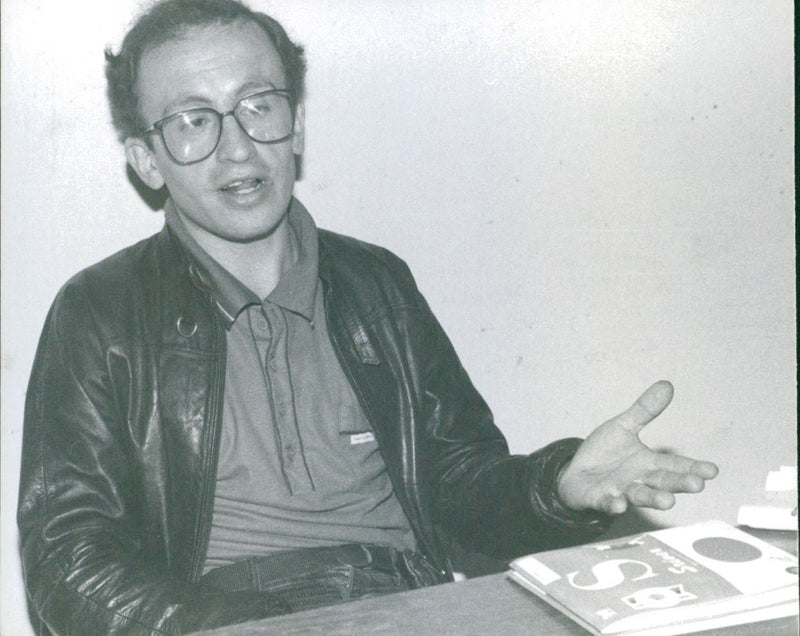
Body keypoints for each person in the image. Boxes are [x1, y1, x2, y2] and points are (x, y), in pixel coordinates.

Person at [17, 0, 719, 634]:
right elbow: (67, 558)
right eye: (193, 121)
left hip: (409, 605)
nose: (237, 147)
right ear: (146, 159)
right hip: (215, 619)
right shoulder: (101, 311)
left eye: (258, 105)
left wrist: (557, 484)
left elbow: (459, 481)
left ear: (294, 125)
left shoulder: (374, 284)